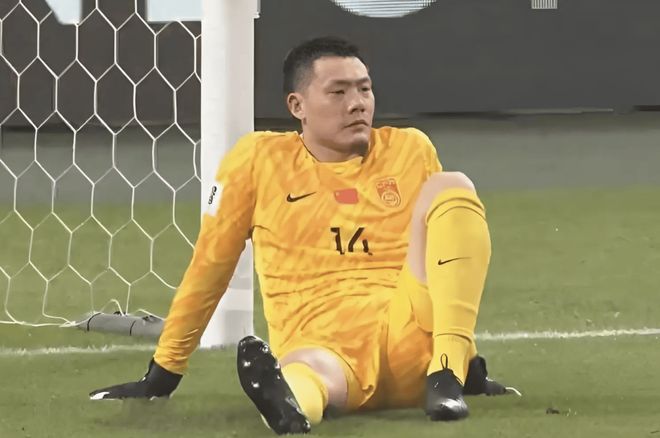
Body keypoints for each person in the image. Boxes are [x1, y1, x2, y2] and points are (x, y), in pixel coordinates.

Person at [89, 36, 515, 434]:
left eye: (364, 89)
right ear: (298, 105)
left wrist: (469, 363)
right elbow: (210, 265)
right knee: (305, 374)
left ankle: (449, 373)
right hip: (325, 350)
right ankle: (289, 407)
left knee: (452, 186)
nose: (357, 103)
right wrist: (163, 373)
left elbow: (448, 265)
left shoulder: (409, 149)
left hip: (414, 339)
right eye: (338, 92)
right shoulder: (258, 162)